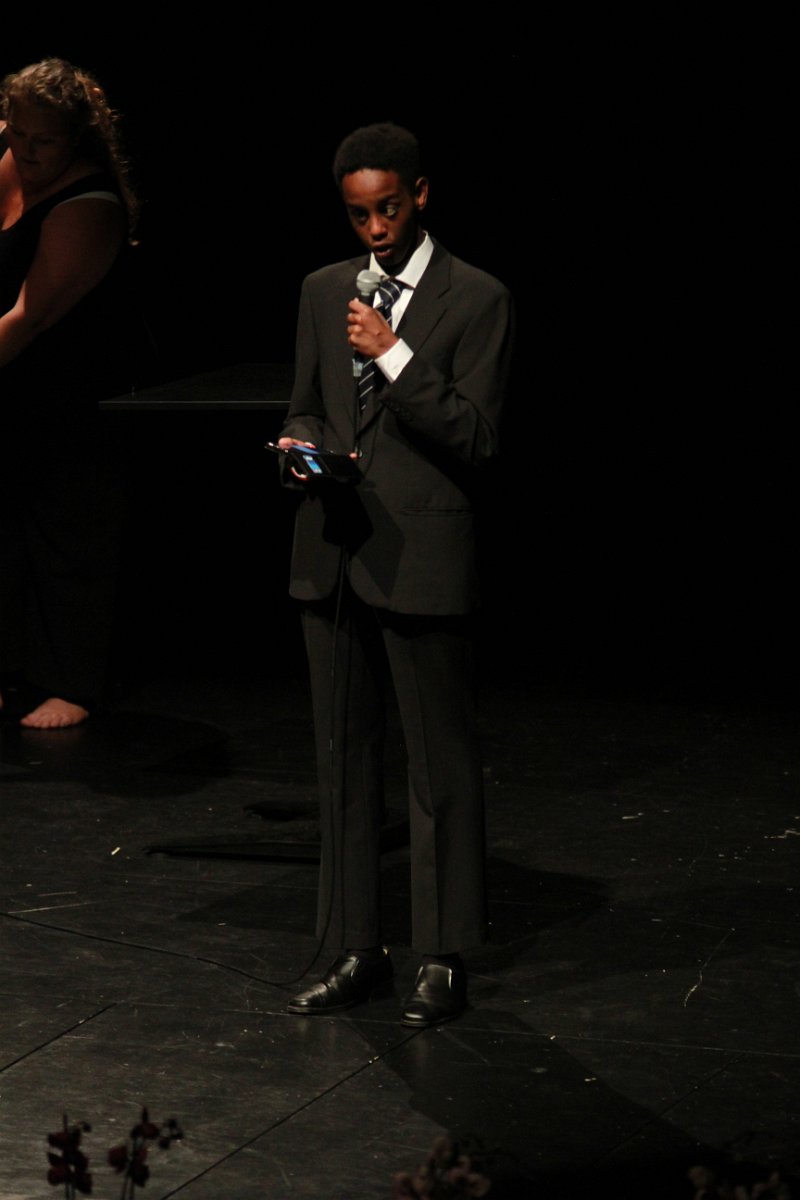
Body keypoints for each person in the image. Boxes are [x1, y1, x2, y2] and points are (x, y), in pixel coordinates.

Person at [278, 123, 514, 1027]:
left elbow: (476, 436)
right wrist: (299, 444)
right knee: (343, 759)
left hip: (422, 556)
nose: (374, 229)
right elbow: (309, 401)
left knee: (435, 762)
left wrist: (392, 352)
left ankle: (441, 956)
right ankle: (356, 947)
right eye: (357, 214)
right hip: (334, 550)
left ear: (419, 195)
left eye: (387, 209)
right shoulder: (322, 289)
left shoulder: (478, 298)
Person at [0, 58, 139, 729]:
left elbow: (29, 318)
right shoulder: (10, 159)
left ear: (75, 139)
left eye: (43, 141)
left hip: (71, 391)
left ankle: (71, 684)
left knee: (65, 530)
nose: (26, 151)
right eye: (16, 133)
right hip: (12, 385)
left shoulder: (89, 206)